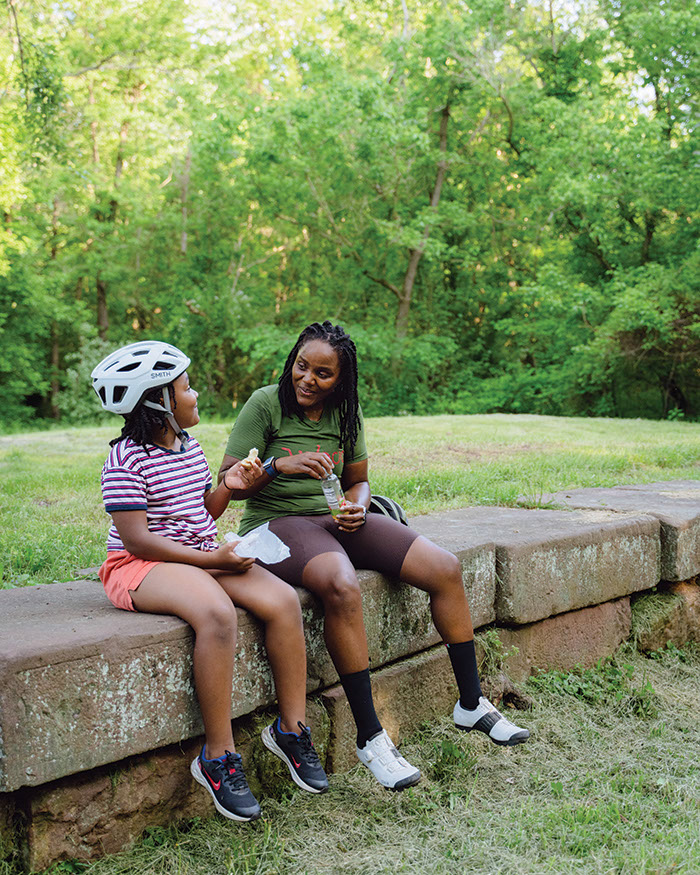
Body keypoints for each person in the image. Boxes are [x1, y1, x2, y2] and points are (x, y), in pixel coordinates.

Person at [218, 321, 530, 792]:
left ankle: (472, 704)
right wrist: (279, 464)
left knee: (444, 567)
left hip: (334, 521)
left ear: (340, 381)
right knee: (340, 582)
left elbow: (358, 480)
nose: (307, 379)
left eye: (322, 373)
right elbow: (230, 482)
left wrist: (357, 508)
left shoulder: (346, 412)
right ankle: (371, 736)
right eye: (302, 366)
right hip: (275, 524)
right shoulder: (265, 403)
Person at [91, 340, 329, 823]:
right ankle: (217, 756)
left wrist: (231, 486)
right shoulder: (125, 460)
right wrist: (210, 561)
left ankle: (291, 729)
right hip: (141, 567)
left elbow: (205, 509)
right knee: (217, 614)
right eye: (185, 387)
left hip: (200, 554)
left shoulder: (188, 445)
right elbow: (138, 541)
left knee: (283, 601)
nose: (195, 393)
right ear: (159, 402)